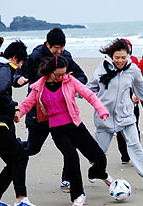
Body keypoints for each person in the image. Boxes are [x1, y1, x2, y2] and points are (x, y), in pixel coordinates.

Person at [16, 55, 113, 206]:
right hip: (57, 129)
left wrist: (101, 110)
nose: (61, 77)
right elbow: (27, 104)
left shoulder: (69, 80)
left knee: (99, 157)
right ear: (49, 71)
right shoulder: (38, 87)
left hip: (75, 126)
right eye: (58, 74)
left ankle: (98, 173)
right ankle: (78, 195)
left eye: (64, 74)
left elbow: (89, 95)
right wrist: (17, 113)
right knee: (72, 158)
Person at [12, 27, 87, 191]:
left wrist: (73, 87)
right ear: (48, 45)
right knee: (32, 149)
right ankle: (15, 146)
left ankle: (67, 179)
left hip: (62, 114)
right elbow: (17, 73)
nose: (59, 51)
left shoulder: (65, 57)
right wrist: (19, 79)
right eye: (56, 48)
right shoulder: (35, 57)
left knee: (70, 149)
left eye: (62, 48)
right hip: (39, 113)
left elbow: (81, 76)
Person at [87, 38, 143, 192]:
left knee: (135, 146)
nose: (120, 61)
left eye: (123, 57)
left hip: (125, 115)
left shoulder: (132, 69)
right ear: (111, 56)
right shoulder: (102, 68)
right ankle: (96, 171)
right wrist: (74, 92)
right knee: (98, 151)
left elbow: (141, 88)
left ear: (128, 55)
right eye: (117, 57)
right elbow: (91, 87)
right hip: (105, 117)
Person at [0, 41, 41, 206]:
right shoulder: (3, 69)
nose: (19, 67)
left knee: (13, 162)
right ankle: (21, 200)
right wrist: (14, 107)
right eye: (20, 63)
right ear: (14, 58)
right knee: (21, 157)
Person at [116, 39, 140, 164]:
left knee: (134, 126)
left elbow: (138, 80)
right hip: (119, 101)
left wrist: (137, 94)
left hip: (133, 99)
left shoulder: (135, 61)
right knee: (120, 130)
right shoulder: (114, 62)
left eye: (129, 47)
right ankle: (124, 155)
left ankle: (136, 153)